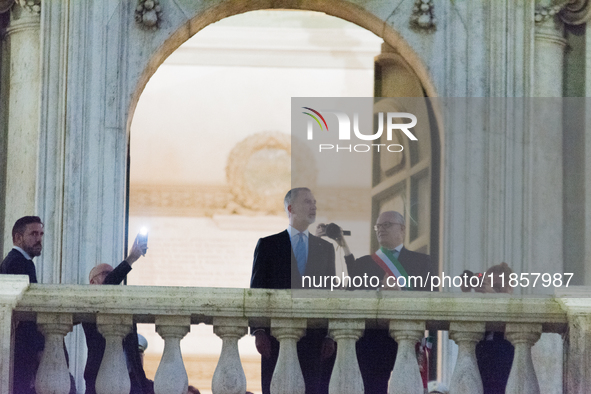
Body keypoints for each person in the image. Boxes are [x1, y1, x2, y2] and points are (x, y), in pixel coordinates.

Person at [317, 210, 433, 394]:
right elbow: (352, 298)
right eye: (378, 226)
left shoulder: (422, 262)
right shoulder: (364, 263)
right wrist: (378, 292)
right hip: (373, 342)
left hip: (408, 338)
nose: (381, 229)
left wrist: (401, 291)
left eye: (387, 225)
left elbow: (430, 297)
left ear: (402, 229)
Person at [249, 187, 336, 394]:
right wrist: (259, 331)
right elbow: (257, 291)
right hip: (275, 339)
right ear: (291, 208)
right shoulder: (268, 245)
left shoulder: (325, 249)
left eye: (314, 202)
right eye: (307, 202)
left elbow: (330, 296)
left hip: (315, 341)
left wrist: (330, 335)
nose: (314, 206)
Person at [83, 235, 154, 394]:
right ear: (93, 283)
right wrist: (132, 258)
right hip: (100, 380)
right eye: (105, 273)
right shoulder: (88, 303)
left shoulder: (125, 306)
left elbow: (134, 357)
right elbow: (108, 286)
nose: (111, 276)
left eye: (113, 273)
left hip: (131, 382)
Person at [1, 216, 46, 394]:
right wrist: (39, 347)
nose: (39, 238)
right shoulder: (19, 262)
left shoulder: (16, 261)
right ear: (18, 238)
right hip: (21, 346)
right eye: (33, 233)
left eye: (41, 234)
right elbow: (27, 309)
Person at [462, 262, 514, 394]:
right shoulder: (480, 307)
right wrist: (467, 292)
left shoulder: (515, 305)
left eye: (497, 288)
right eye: (488, 286)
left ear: (510, 287)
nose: (491, 291)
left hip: (504, 368)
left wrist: (493, 296)